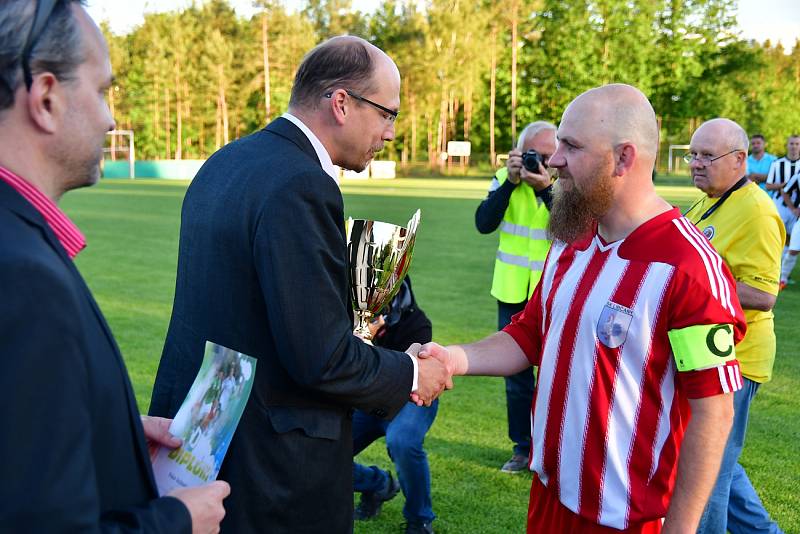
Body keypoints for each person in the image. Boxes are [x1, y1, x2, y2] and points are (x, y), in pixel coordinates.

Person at [148, 36, 450, 533]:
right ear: (341, 103)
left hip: (203, 443)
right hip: (272, 472)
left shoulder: (227, 161)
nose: (391, 133)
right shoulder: (303, 184)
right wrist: (413, 374)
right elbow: (320, 358)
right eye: (387, 114)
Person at [420, 84, 747, 533]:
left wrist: (682, 528)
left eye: (571, 147)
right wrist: (453, 358)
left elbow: (714, 410)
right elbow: (531, 333)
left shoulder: (689, 268)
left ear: (624, 158)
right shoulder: (569, 239)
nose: (554, 161)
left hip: (627, 520)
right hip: (549, 498)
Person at [0, 1, 229, 532]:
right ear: (47, 98)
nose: (109, 117)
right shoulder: (23, 276)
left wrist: (114, 436)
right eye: (102, 92)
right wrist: (177, 520)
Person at [685, 119, 785, 534]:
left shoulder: (758, 211)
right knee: (718, 459)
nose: (696, 163)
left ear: (740, 159)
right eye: (693, 154)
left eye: (708, 156)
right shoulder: (707, 201)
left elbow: (763, 295)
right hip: (704, 351)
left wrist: (692, 287)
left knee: (706, 473)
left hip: (735, 360)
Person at [474, 121, 557, 473]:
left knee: (555, 373)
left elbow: (576, 228)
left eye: (548, 156)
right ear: (517, 153)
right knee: (517, 378)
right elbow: (483, 223)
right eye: (531, 154)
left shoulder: (565, 182)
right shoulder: (504, 177)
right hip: (510, 290)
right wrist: (510, 183)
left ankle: (551, 449)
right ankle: (522, 447)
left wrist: (546, 189)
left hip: (553, 291)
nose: (540, 162)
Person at [353, 277, 438, 534]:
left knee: (402, 442)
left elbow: (412, 379)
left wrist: (372, 338)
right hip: (369, 398)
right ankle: (377, 484)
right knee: (324, 446)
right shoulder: (354, 317)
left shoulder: (418, 325)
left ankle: (419, 519)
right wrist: (363, 335)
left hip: (411, 399)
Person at [764, 135, 800, 237]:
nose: (794, 146)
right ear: (787, 145)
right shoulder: (777, 163)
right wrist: (784, 185)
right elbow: (768, 185)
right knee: (777, 234)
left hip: (797, 205)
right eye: (791, 144)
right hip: (780, 204)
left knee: (795, 236)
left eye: (797, 144)